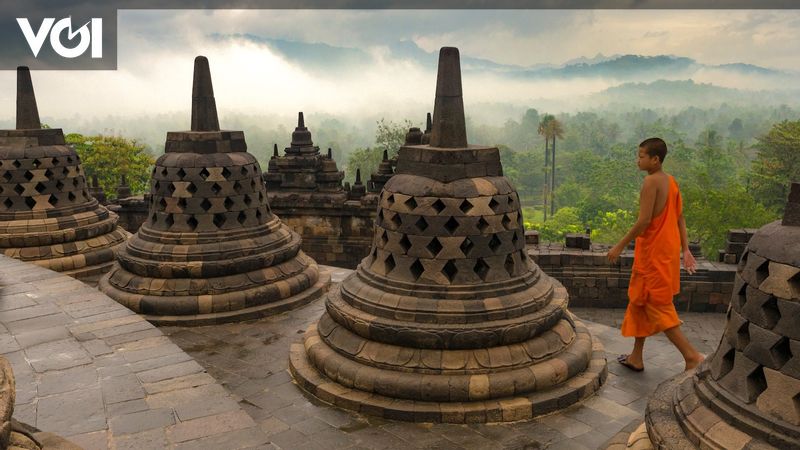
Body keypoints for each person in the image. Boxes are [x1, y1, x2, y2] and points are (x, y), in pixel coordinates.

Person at [606, 137, 704, 372]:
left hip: (654, 253)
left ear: (655, 159)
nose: (637, 160)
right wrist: (685, 249)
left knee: (658, 306)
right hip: (665, 250)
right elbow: (679, 217)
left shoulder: (651, 182)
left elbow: (644, 221)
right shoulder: (671, 182)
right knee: (640, 300)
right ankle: (636, 357)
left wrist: (619, 245)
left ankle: (691, 356)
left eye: (641, 156)